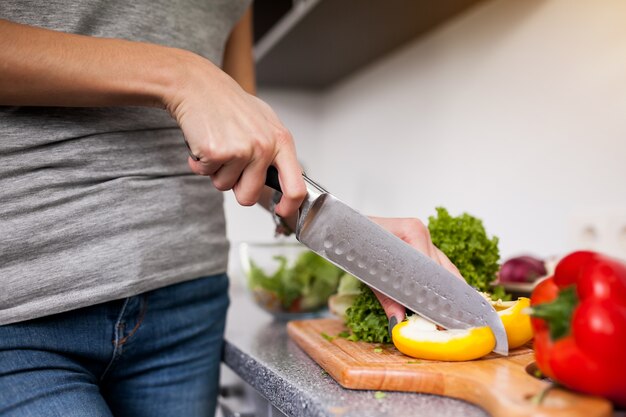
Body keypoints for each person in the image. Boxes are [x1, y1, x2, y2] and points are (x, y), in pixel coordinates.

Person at [0, 2, 462, 416]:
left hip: (186, 305)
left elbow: (246, 146)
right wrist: (180, 74)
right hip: (22, 308)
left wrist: (344, 227)